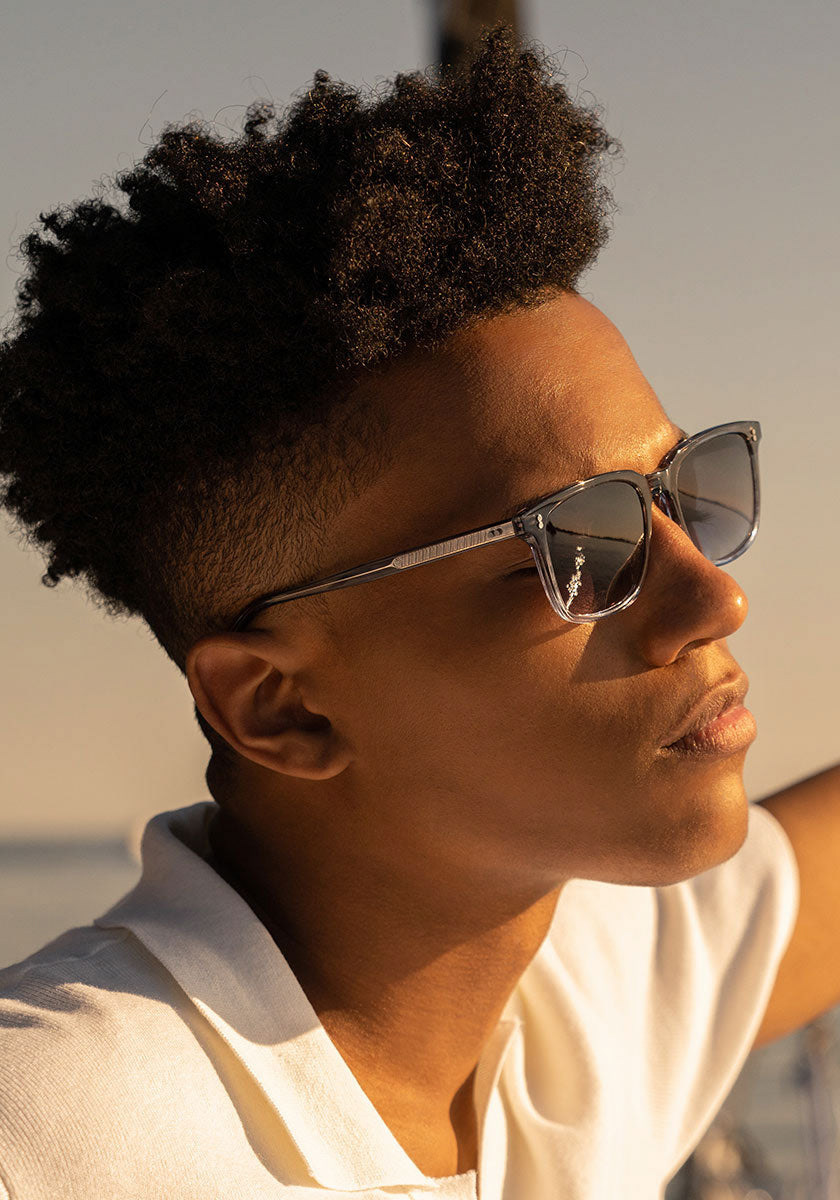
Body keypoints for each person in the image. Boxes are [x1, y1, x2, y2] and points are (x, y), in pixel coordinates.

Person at [0, 25, 837, 1200]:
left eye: (682, 491)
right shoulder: (52, 1138)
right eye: (580, 545)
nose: (717, 596)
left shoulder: (572, 1001)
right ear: (282, 707)